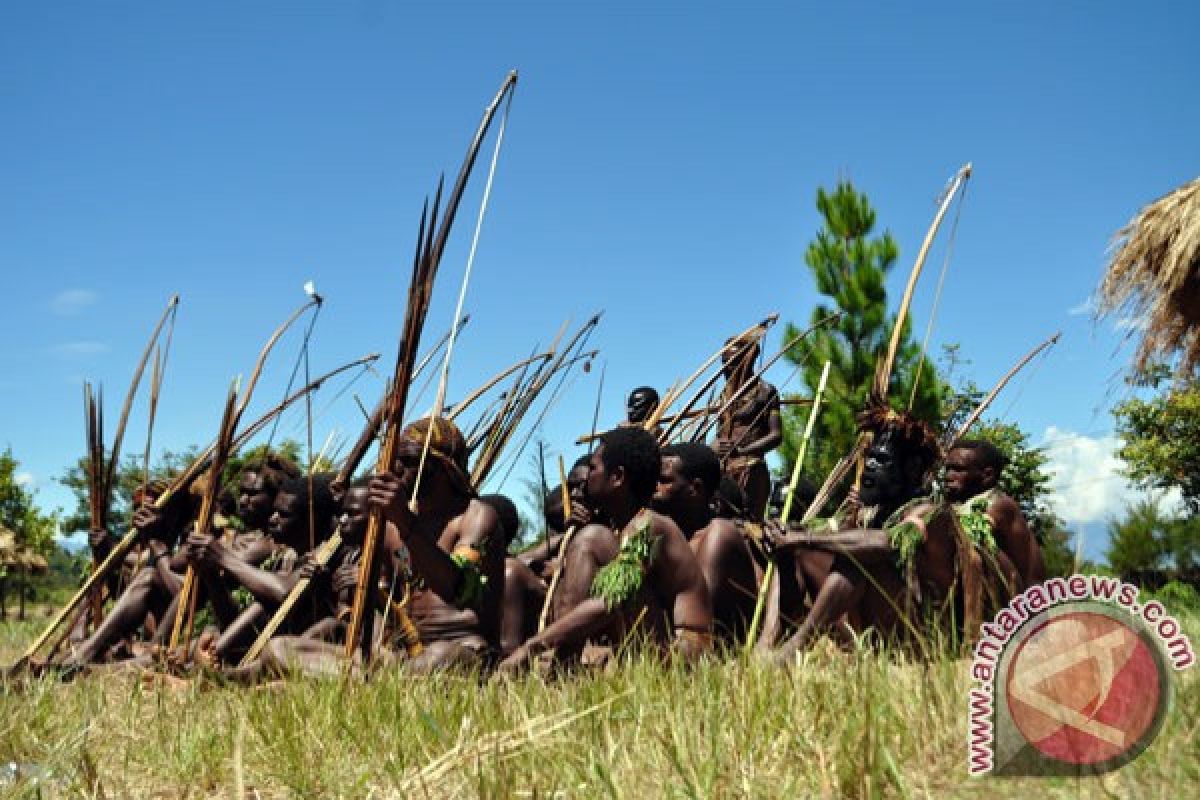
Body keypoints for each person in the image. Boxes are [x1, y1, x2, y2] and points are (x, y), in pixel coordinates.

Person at [499, 427, 713, 671]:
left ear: (617, 477)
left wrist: (533, 645)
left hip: (683, 658)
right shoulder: (622, 529)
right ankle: (565, 664)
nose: (587, 477)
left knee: (591, 540)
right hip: (651, 650)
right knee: (591, 538)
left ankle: (563, 668)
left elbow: (610, 600)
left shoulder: (649, 525)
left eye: (593, 468)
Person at [654, 442, 761, 644]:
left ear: (695, 488)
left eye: (664, 481)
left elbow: (695, 616)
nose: (655, 489)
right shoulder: (671, 538)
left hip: (716, 654)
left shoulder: (717, 534)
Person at [943, 440, 1044, 589]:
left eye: (958, 470)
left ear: (987, 475)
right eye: (947, 469)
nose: (948, 476)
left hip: (1017, 603)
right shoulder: (955, 505)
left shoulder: (997, 505)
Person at [713, 333, 782, 520]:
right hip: (725, 472)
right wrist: (714, 447)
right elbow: (719, 434)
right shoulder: (723, 396)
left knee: (748, 526)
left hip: (751, 471)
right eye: (724, 362)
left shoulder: (764, 392)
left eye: (733, 362)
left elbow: (776, 436)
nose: (728, 368)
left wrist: (742, 450)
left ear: (749, 359)